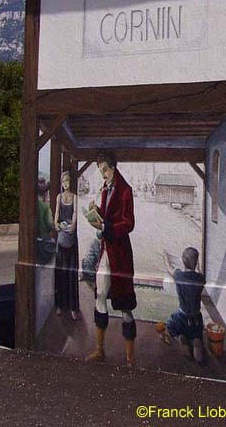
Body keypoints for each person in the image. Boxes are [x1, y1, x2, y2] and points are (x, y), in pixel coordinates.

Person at [85, 151, 137, 367]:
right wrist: (96, 212)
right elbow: (108, 218)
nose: (102, 174)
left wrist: (105, 226)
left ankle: (130, 359)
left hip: (121, 255)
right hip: (107, 251)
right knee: (100, 296)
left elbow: (129, 223)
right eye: (100, 171)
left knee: (125, 306)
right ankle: (100, 350)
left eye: (105, 170)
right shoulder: (106, 189)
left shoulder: (125, 191)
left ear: (114, 167)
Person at [160, 246, 205, 363]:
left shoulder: (179, 275)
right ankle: (196, 341)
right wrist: (198, 264)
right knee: (197, 336)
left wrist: (165, 256)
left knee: (170, 323)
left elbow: (169, 268)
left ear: (183, 261)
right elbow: (200, 272)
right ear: (196, 262)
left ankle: (179, 337)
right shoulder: (201, 279)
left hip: (182, 317)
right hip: (196, 318)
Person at [54, 171, 79, 320]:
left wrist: (73, 226)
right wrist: (56, 224)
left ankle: (72, 307)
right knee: (60, 272)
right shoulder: (59, 197)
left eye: (67, 181)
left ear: (71, 182)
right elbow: (57, 213)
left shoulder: (74, 197)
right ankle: (59, 305)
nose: (65, 184)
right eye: (63, 182)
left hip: (71, 236)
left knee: (71, 273)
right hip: (61, 236)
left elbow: (75, 213)